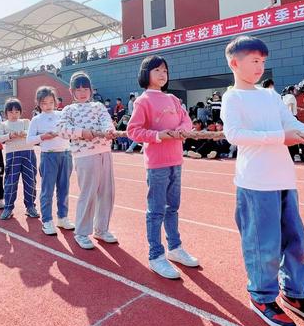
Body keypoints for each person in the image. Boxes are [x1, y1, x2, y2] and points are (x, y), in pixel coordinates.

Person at [221, 35, 304, 326]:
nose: (260, 67)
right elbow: (235, 135)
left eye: (263, 62)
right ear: (234, 63)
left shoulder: (270, 96)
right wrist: (281, 138)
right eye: (254, 61)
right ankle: (262, 296)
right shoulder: (233, 97)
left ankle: (295, 293)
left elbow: (290, 125)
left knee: (297, 242)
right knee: (263, 244)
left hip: (284, 178)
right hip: (255, 182)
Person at [127, 55, 198, 279]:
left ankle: (175, 248)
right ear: (145, 73)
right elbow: (133, 131)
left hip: (176, 161)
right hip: (156, 164)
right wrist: (158, 135)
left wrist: (183, 130)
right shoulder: (143, 100)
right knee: (156, 210)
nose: (162, 74)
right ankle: (156, 255)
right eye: (156, 70)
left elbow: (187, 121)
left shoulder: (174, 100)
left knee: (173, 208)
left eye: (165, 71)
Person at [57, 72, 118, 249]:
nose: (83, 92)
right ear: (72, 91)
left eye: (86, 89)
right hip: (84, 156)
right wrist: (81, 133)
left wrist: (109, 130)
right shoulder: (68, 110)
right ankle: (82, 232)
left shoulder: (98, 106)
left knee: (107, 193)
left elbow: (107, 122)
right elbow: (62, 129)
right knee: (88, 193)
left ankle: (101, 229)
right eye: (79, 89)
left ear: (91, 90)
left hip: (105, 152)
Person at [27, 86, 74, 235]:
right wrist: (43, 137)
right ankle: (47, 220)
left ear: (55, 102)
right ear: (39, 104)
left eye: (50, 102)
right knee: (47, 190)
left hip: (66, 155)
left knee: (64, 188)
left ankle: (62, 217)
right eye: (44, 103)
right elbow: (29, 140)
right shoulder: (36, 119)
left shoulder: (62, 115)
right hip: (49, 156)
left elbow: (71, 131)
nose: (48, 106)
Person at [0, 98, 39, 220]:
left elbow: (32, 132)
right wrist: (10, 135)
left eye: (16, 112)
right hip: (12, 155)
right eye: (11, 112)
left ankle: (30, 206)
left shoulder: (25, 121)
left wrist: (22, 133)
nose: (14, 115)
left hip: (28, 153)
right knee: (10, 182)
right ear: (6, 113)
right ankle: (8, 207)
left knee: (30, 181)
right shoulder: (2, 124)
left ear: (20, 112)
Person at [282, 86, 301, 163]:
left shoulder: (284, 97)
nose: (296, 91)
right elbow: (290, 108)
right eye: (295, 90)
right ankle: (296, 155)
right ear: (291, 91)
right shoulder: (291, 96)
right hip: (292, 118)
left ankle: (290, 155)